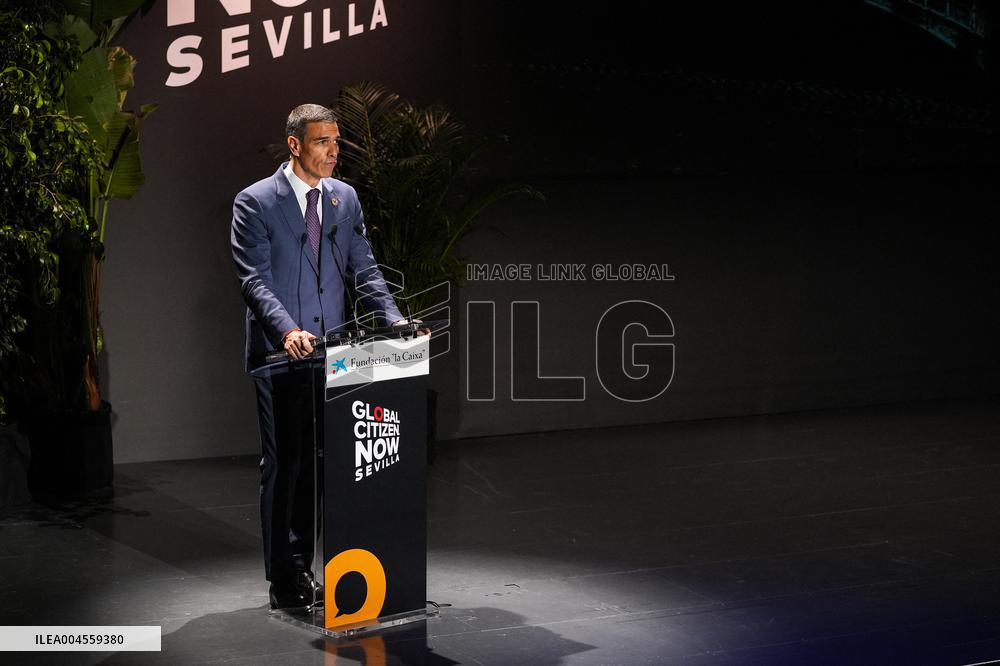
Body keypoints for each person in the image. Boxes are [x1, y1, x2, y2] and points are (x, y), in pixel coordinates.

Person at [231, 104, 408, 610]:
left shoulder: (343, 198)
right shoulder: (256, 201)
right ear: (294, 145)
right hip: (281, 354)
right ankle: (285, 577)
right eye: (321, 142)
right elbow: (254, 280)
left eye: (336, 141)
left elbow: (363, 268)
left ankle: (313, 569)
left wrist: (393, 320)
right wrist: (287, 330)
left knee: (320, 466)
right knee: (286, 465)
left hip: (335, 355)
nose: (333, 151)